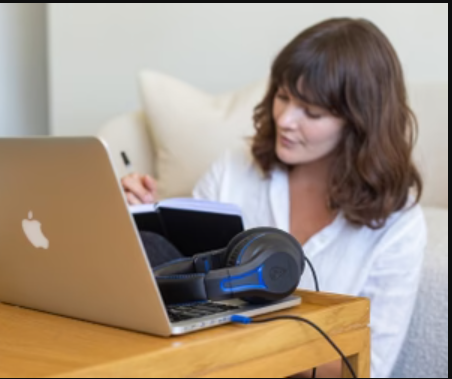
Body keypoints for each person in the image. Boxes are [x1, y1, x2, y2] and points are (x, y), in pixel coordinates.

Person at [121, 18, 427, 378]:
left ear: (359, 123)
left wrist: (252, 337)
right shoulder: (235, 169)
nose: (284, 119)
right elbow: (176, 272)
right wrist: (136, 214)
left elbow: (367, 366)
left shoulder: (398, 224)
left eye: (311, 112)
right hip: (193, 366)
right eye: (282, 96)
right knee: (149, 245)